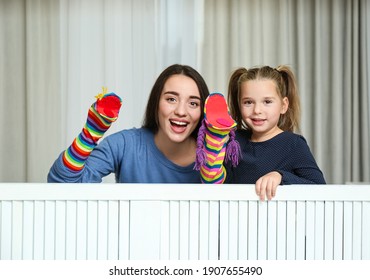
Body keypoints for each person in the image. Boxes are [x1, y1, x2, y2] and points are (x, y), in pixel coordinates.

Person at [47, 64, 210, 183]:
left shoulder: (215, 155)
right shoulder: (125, 145)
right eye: (171, 99)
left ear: (203, 110)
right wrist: (90, 134)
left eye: (193, 103)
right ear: (156, 102)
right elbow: (61, 183)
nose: (181, 111)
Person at [195, 65, 326, 200]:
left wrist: (281, 176)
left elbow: (319, 188)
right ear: (239, 105)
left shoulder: (293, 144)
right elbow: (218, 186)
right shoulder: (236, 142)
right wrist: (215, 147)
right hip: (236, 217)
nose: (257, 110)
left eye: (267, 102)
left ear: (283, 105)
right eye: (248, 102)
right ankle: (214, 139)